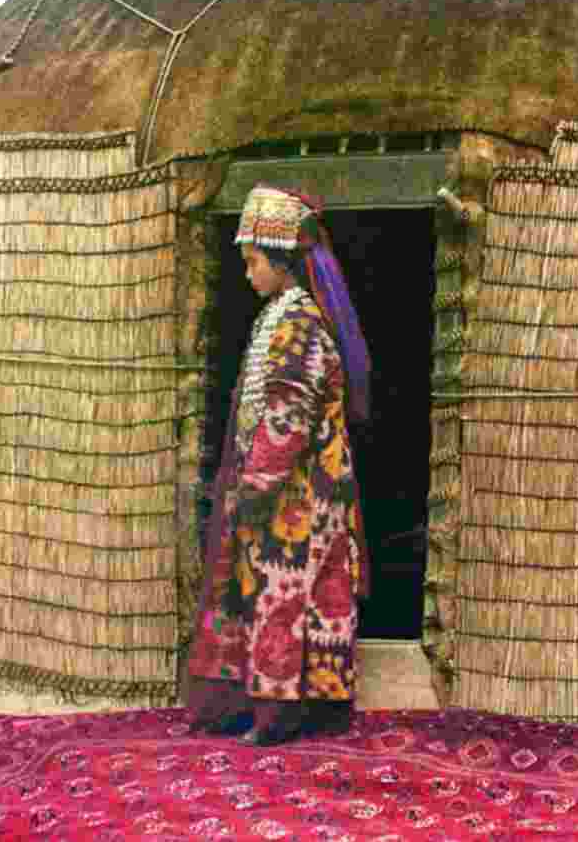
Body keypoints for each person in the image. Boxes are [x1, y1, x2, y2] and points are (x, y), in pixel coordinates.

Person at [186, 183, 372, 746]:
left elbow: (289, 417)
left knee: (285, 597)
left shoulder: (299, 325)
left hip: (299, 497)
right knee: (271, 595)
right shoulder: (279, 316)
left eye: (253, 262)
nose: (247, 274)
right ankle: (263, 708)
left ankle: (282, 715)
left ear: (282, 261)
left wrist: (256, 483)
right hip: (283, 491)